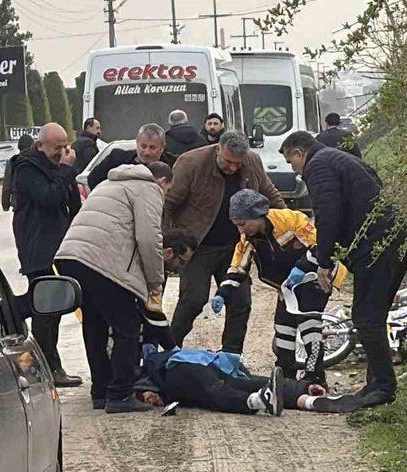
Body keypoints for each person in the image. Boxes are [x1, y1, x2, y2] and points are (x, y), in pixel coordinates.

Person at [280, 131, 407, 412]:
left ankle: (383, 388)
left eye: (291, 163)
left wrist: (324, 262)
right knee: (373, 317)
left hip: (377, 248)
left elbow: (329, 214)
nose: (294, 170)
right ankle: (375, 384)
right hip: (394, 242)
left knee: (366, 318)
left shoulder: (318, 165)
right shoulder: (340, 159)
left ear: (298, 153)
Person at [56, 161, 195, 413]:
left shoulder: (109, 183)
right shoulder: (149, 189)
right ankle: (120, 395)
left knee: (95, 324)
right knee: (127, 328)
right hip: (99, 260)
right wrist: (155, 281)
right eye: (168, 190)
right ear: (162, 182)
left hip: (70, 256)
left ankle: (100, 391)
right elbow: (148, 237)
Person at [210, 190, 348, 385]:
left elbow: (322, 245)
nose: (241, 230)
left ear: (257, 215)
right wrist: (222, 294)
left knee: (309, 324)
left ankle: (315, 376)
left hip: (316, 276)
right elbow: (238, 269)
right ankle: (285, 374)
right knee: (283, 327)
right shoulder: (248, 240)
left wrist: (302, 267)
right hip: (287, 286)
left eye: (242, 224)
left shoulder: (291, 219)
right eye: (237, 226)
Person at [165, 131, 285, 354]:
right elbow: (168, 203)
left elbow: (269, 193)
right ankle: (169, 348)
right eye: (228, 162)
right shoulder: (191, 163)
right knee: (192, 300)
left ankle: (231, 356)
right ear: (218, 149)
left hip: (236, 247)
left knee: (240, 303)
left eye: (237, 164)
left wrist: (289, 222)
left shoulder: (252, 162)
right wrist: (167, 240)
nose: (232, 168)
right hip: (198, 246)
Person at [12, 123, 82, 387]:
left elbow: (72, 205)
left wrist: (68, 174)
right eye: (57, 147)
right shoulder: (26, 168)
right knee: (46, 310)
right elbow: (48, 198)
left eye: (65, 146)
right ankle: (46, 368)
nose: (62, 152)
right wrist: (65, 170)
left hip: (58, 248)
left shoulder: (59, 169)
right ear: (41, 146)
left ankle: (8, 313)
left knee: (48, 307)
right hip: (38, 248)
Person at [134, 345, 357, 415]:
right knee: (230, 387)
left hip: (181, 370)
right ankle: (307, 400)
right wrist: (145, 392)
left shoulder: (153, 356)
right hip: (198, 370)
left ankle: (304, 398)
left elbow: (141, 373)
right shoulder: (144, 356)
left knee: (218, 391)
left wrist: (304, 385)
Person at [87, 123, 176, 191]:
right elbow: (93, 180)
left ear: (162, 148)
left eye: (152, 147)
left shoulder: (174, 165)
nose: (147, 152)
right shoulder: (117, 158)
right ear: (137, 143)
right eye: (143, 146)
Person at [1, 134, 35, 212]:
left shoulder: (12, 162)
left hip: (18, 206)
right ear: (32, 146)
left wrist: (5, 205)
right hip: (34, 207)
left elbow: (6, 187)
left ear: (18, 147)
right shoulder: (37, 160)